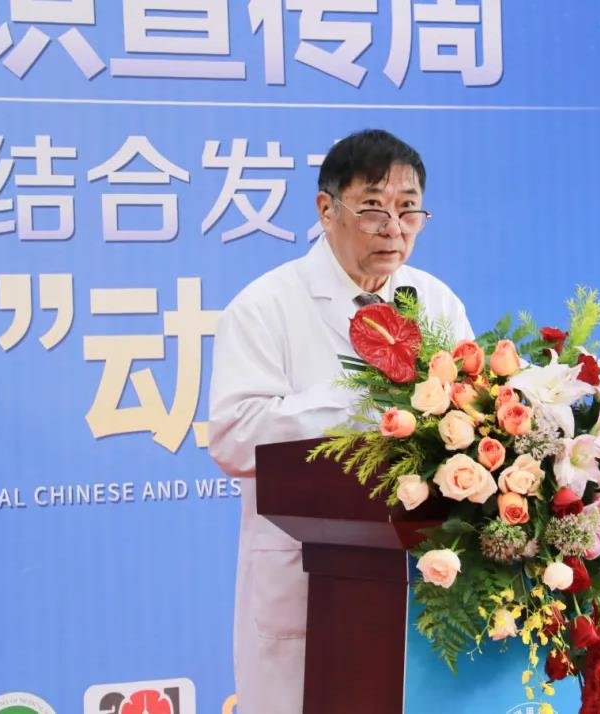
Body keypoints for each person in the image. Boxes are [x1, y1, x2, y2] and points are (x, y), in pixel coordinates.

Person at [208, 129, 473, 714]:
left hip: (425, 586)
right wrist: (361, 403)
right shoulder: (266, 306)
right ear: (326, 210)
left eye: (409, 209)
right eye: (374, 207)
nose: (394, 228)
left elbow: (471, 416)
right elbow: (231, 435)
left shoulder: (435, 303)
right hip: (307, 584)